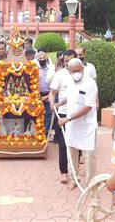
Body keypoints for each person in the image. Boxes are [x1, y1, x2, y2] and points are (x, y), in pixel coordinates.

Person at [58, 58, 98, 190]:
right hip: (72, 126)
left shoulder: (90, 83)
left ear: (82, 69)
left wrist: (68, 118)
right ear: (69, 71)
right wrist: (59, 104)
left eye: (78, 70)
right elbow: (69, 96)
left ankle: (90, 184)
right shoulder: (69, 81)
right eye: (73, 71)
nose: (76, 73)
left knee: (89, 155)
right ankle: (74, 178)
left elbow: (87, 107)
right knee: (72, 152)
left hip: (87, 126)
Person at [49, 49, 77, 184]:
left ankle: (75, 170)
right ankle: (64, 172)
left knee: (77, 144)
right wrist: (52, 103)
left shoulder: (82, 74)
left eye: (70, 61)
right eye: (66, 61)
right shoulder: (60, 74)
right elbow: (52, 92)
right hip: (63, 113)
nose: (68, 64)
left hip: (78, 113)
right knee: (63, 144)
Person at [35, 48, 55, 135]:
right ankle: (37, 132)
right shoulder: (34, 69)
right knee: (37, 114)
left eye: (44, 58)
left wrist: (47, 96)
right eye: (40, 58)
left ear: (47, 58)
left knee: (48, 115)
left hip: (49, 95)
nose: (42, 60)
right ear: (37, 59)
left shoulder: (52, 69)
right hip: (37, 95)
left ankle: (46, 133)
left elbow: (55, 84)